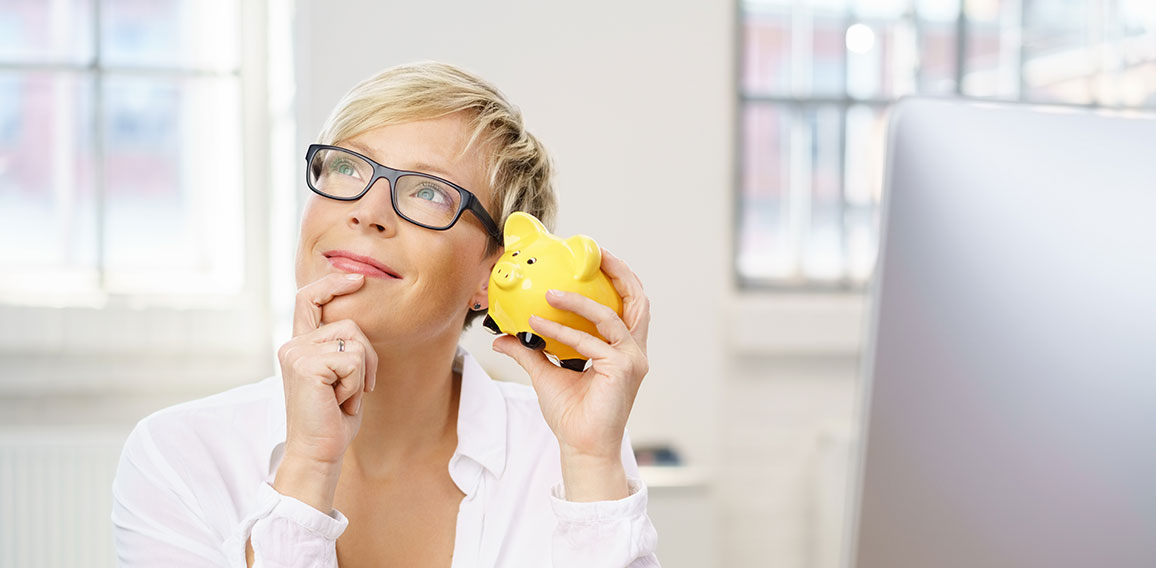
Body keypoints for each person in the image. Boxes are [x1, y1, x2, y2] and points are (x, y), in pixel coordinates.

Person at [111, 61, 660, 567]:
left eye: (429, 192)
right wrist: (308, 465)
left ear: (490, 275)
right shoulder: (178, 455)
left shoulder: (567, 454)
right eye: (347, 168)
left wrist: (591, 462)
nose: (367, 211)